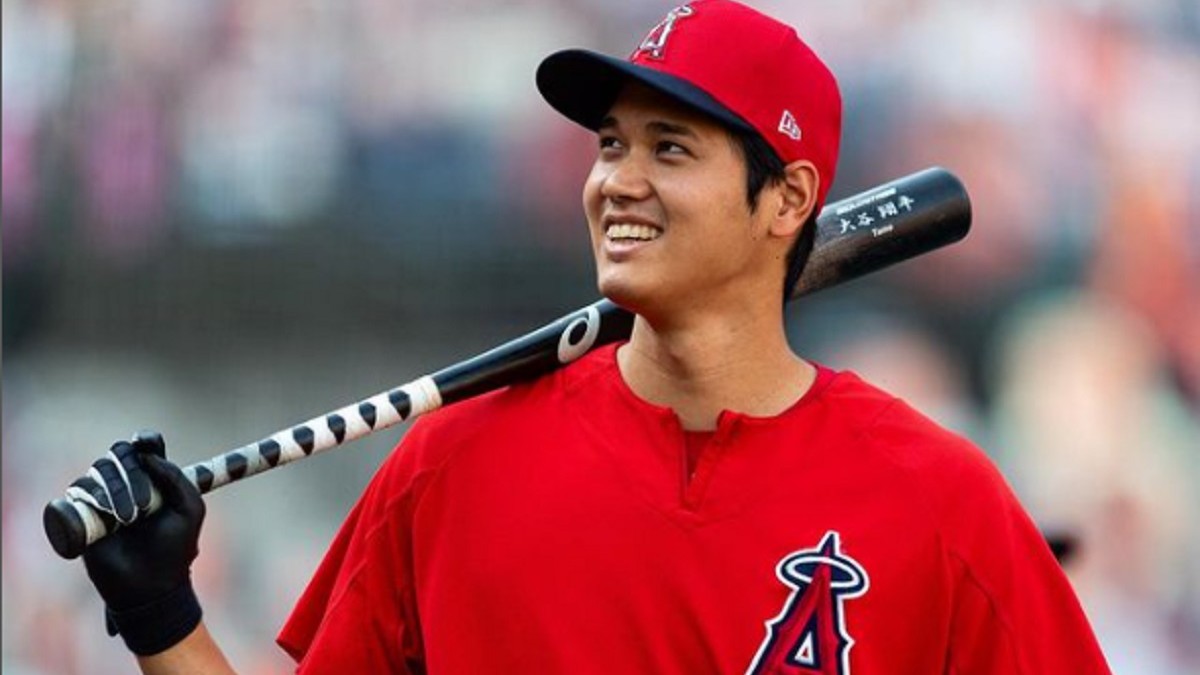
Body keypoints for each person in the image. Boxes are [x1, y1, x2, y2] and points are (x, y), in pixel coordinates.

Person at [74, 1, 1112, 673]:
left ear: (789, 198)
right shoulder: (450, 466)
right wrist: (162, 614)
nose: (619, 180)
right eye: (610, 144)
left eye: (671, 148)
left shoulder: (941, 502)